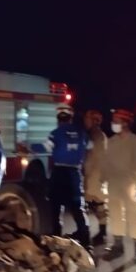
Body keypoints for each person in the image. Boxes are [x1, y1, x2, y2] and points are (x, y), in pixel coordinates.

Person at [103, 109, 136, 261]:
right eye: (113, 120)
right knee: (115, 215)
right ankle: (117, 246)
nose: (113, 124)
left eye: (116, 121)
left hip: (130, 184)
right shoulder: (111, 141)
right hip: (113, 183)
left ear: (125, 123)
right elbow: (106, 163)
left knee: (134, 215)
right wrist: (103, 180)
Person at [46, 104, 91, 250]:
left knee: (56, 207)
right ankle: (86, 241)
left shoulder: (55, 133)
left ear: (58, 118)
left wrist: (26, 148)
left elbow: (45, 148)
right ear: (70, 118)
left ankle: (56, 239)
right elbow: (90, 147)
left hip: (59, 173)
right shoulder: (82, 133)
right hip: (74, 174)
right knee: (78, 208)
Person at [83, 109, 108, 245]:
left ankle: (101, 233)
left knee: (98, 205)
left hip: (94, 176)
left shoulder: (97, 136)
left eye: (87, 118)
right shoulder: (94, 135)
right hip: (93, 175)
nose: (85, 121)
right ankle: (99, 232)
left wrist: (84, 170)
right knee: (95, 205)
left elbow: (93, 158)